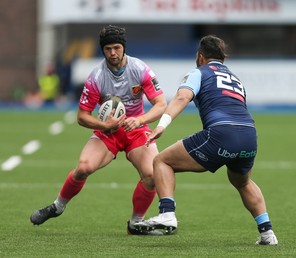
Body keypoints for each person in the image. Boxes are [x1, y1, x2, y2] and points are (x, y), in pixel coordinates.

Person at [135, 35, 278, 245]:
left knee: (162, 161)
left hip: (222, 133)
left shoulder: (199, 72)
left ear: (200, 56)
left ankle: (167, 213)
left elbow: (182, 97)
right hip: (249, 135)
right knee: (242, 181)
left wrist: (162, 125)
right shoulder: (236, 79)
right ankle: (267, 233)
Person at [30, 25, 167, 235]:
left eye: (117, 48)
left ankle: (136, 224)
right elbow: (82, 117)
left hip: (136, 131)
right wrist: (105, 126)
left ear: (123, 48)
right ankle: (57, 206)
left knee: (151, 174)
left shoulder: (140, 70)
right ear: (102, 50)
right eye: (108, 49)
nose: (113, 53)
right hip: (108, 133)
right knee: (84, 167)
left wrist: (139, 120)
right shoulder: (96, 77)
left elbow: (160, 104)